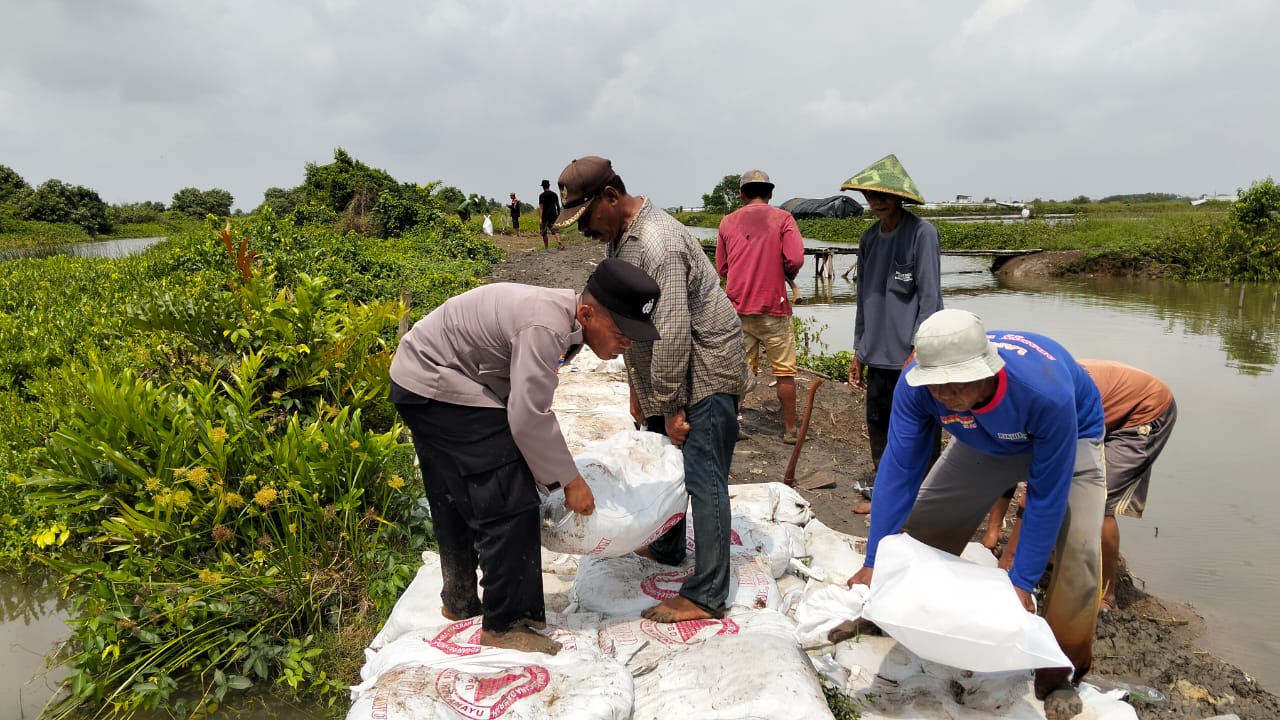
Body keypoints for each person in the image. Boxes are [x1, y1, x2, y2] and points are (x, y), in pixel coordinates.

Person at [390, 258, 662, 655]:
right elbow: (529, 416)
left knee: (455, 489)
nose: (627, 345)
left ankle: (459, 599)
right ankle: (506, 623)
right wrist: (571, 481)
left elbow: (517, 396)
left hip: (420, 380)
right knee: (510, 498)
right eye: (622, 333)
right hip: (436, 383)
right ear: (587, 313)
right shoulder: (546, 326)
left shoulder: (561, 320)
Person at [845, 309, 1106, 718]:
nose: (946, 394)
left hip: (1069, 437)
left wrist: (1022, 581)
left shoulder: (1044, 393)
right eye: (937, 384)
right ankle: (893, 612)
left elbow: (1045, 496)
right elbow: (900, 469)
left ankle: (1058, 671)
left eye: (957, 383)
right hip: (982, 437)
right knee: (923, 528)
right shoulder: (918, 387)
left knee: (1079, 557)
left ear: (988, 369)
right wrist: (875, 558)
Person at [553, 155, 751, 623]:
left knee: (703, 476)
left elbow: (674, 330)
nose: (584, 229)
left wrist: (672, 406)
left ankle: (707, 594)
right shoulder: (620, 239)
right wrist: (640, 391)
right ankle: (666, 545)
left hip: (704, 368)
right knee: (664, 462)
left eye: (586, 217)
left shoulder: (658, 242)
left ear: (611, 197)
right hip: (671, 371)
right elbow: (629, 321)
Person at [982, 359, 1177, 614]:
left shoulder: (1047, 403)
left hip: (1143, 409)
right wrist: (993, 530)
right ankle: (1055, 554)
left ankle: (1107, 594)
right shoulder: (1012, 402)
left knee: (1098, 500)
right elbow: (1011, 463)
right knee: (1058, 483)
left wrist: (1010, 559)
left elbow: (1036, 492)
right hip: (1100, 409)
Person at [840, 154, 943, 512]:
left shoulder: (921, 234)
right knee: (880, 425)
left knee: (919, 427)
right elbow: (863, 300)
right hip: (877, 353)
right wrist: (859, 350)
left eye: (884, 195)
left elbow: (930, 299)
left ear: (899, 197)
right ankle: (886, 494)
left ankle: (924, 500)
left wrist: (918, 350)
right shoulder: (869, 238)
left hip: (910, 357)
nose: (877, 201)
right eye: (871, 195)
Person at [714, 169, 805, 444]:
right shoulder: (783, 218)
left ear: (741, 194)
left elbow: (722, 267)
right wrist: (784, 270)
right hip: (774, 307)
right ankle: (790, 430)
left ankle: (732, 425)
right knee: (784, 372)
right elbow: (795, 258)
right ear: (770, 193)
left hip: (738, 307)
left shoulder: (727, 222)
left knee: (739, 369)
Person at [537, 179, 564, 250]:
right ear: (549, 186)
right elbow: (558, 205)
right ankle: (559, 242)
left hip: (545, 217)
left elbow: (541, 208)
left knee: (544, 233)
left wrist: (540, 218)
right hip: (553, 216)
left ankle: (546, 247)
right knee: (556, 231)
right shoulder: (554, 194)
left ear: (543, 187)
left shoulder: (541, 196)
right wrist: (559, 214)